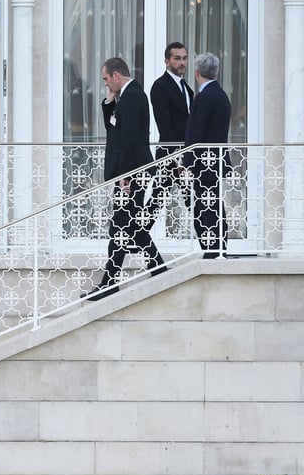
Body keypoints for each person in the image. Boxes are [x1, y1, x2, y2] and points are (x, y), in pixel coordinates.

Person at [84, 57, 166, 300]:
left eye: (107, 79)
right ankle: (155, 269)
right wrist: (109, 101)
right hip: (131, 173)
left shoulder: (132, 98)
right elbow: (114, 129)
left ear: (117, 75)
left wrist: (125, 177)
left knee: (121, 226)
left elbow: (129, 140)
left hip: (132, 174)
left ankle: (110, 283)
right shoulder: (126, 97)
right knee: (128, 226)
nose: (106, 84)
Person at [181, 51, 232, 259]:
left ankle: (212, 250)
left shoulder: (204, 97)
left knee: (204, 207)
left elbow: (196, 131)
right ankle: (219, 247)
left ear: (197, 72)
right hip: (216, 161)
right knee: (214, 204)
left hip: (204, 163)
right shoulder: (222, 96)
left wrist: (186, 161)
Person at [149, 42, 192, 216]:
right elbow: (165, 126)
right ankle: (137, 239)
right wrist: (178, 159)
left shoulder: (186, 88)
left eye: (184, 58)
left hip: (187, 156)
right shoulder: (160, 86)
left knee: (194, 203)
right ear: (167, 61)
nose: (182, 62)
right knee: (156, 202)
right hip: (170, 158)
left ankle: (209, 242)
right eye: (177, 59)